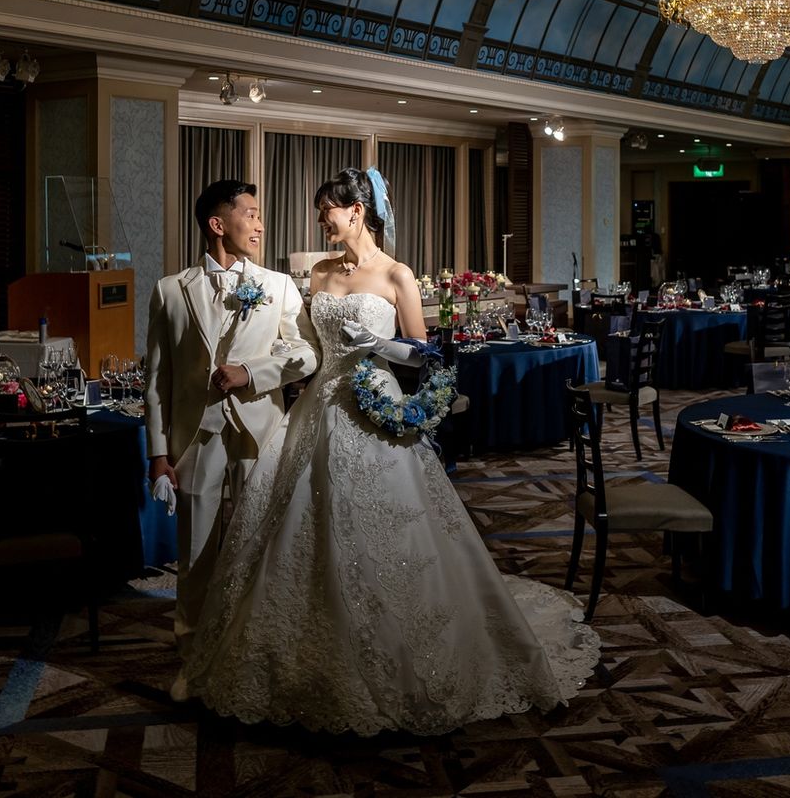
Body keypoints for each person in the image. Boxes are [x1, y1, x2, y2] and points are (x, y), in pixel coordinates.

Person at [179, 167, 599, 735]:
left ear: (357, 211)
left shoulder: (397, 275)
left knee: (388, 527)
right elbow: (307, 349)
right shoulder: (320, 274)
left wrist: (379, 344)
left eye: (326, 209)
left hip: (375, 406)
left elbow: (423, 353)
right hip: (318, 408)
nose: (320, 219)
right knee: (299, 522)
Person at [144, 179, 319, 690]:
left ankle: (254, 656)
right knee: (195, 556)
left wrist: (253, 372)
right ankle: (193, 661)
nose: (260, 225)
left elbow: (307, 353)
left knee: (258, 548)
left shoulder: (279, 286)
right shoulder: (171, 290)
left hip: (259, 433)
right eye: (251, 214)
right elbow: (157, 380)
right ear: (218, 224)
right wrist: (158, 454)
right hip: (194, 438)